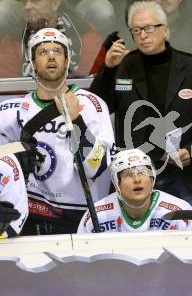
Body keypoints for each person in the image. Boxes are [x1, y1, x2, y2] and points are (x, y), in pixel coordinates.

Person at [90, 1, 192, 213]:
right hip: (134, 174)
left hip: (184, 173)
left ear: (165, 29)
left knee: (188, 236)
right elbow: (95, 110)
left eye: (148, 28)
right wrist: (106, 69)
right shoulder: (123, 67)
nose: (143, 35)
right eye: (136, 30)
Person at [0, 28, 115, 235]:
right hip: (29, 216)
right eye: (43, 52)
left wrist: (77, 121)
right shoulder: (11, 111)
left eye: (57, 51)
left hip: (80, 217)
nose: (51, 56)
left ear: (67, 60)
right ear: (33, 63)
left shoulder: (91, 105)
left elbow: (98, 166)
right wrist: (16, 160)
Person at [0, 0, 104, 78]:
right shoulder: (13, 37)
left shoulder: (83, 31)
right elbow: (9, 83)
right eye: (24, 2)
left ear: (55, 4)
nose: (27, 7)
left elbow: (89, 77)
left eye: (35, 0)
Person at [78, 149, 192, 233]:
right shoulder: (96, 216)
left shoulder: (181, 213)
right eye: (129, 175)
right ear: (116, 184)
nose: (137, 179)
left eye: (142, 172)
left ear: (152, 179)